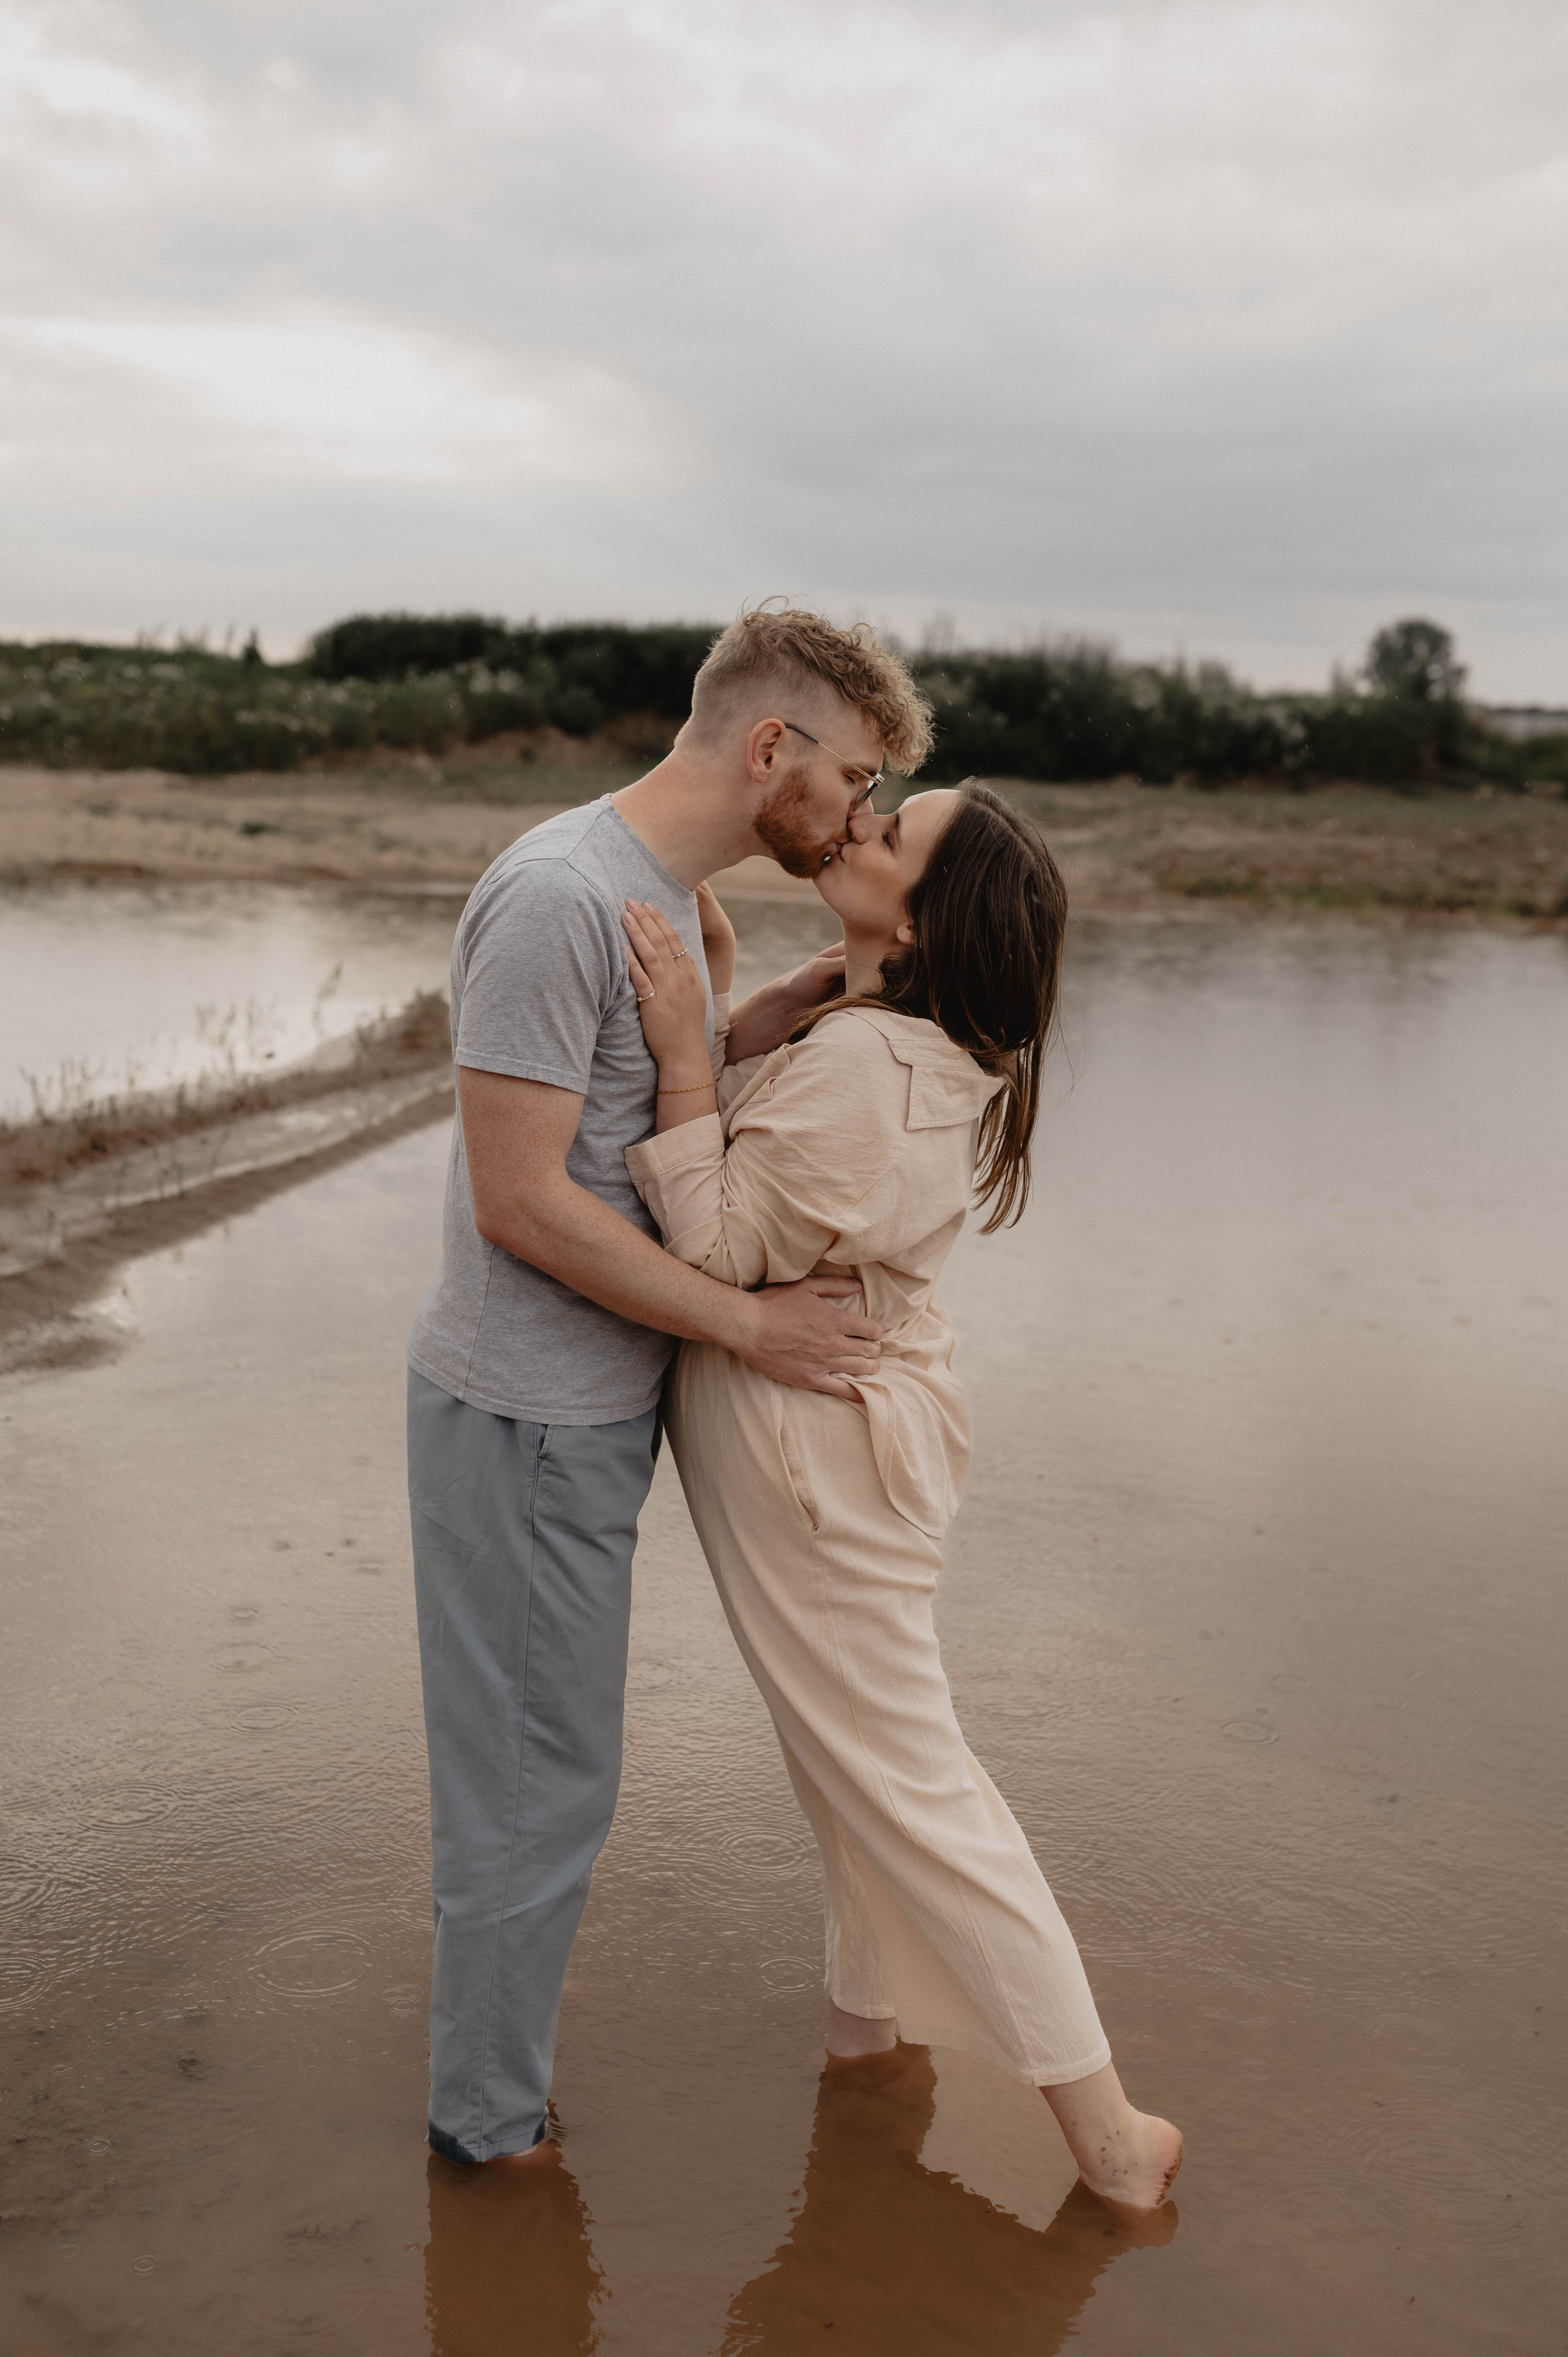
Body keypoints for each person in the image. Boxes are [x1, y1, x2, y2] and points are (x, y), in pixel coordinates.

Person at [405, 605, 935, 2168]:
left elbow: (654, 1088)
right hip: (524, 1416)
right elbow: (520, 1200)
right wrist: (751, 1329)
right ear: (768, 748)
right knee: (531, 1783)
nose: (854, 816)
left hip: (579, 1415)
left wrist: (788, 1008)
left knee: (547, 1771)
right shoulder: (561, 897)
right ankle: (488, 2142)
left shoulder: (661, 891)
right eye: (848, 778)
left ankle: (488, 2107)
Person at [621, 782, 1183, 2211]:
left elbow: (727, 1238)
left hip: (816, 1451)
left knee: (912, 1780)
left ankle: (1108, 2134)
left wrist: (689, 1049)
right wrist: (762, 1013)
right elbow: (786, 1177)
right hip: (842, 1439)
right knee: (854, 1762)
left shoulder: (871, 1064)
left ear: (924, 920)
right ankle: (862, 2035)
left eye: (893, 834)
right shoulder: (882, 1043)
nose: (859, 828)